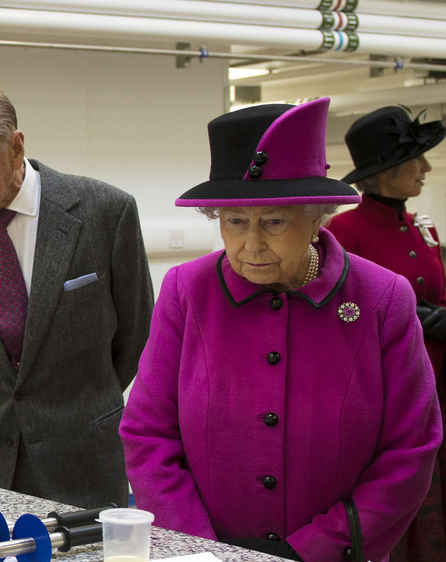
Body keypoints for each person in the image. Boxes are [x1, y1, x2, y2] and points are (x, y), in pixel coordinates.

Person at [120, 97, 443, 562]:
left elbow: (412, 448)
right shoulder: (186, 291)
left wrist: (314, 549)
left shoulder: (382, 298)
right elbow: (148, 435)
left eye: (274, 221)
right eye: (234, 222)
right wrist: (200, 550)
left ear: (317, 216)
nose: (251, 244)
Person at [0, 85, 154, 510]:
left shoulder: (104, 213)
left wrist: (72, 404)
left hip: (81, 459)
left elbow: (135, 337)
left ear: (16, 146)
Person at [327, 106, 446, 562]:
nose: (427, 169)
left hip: (437, 385)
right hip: (385, 393)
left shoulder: (423, 225)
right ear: (387, 171)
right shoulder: (344, 230)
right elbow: (343, 312)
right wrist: (417, 318)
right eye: (417, 161)